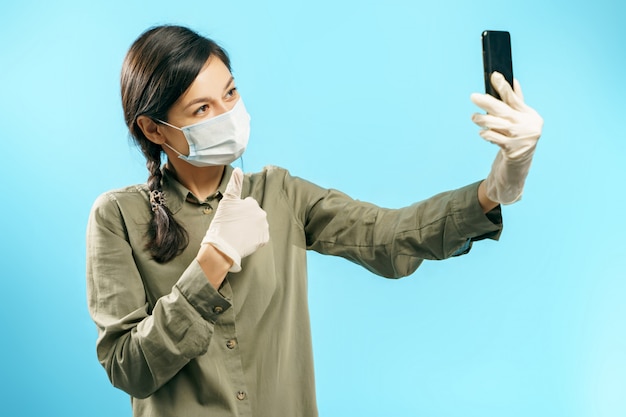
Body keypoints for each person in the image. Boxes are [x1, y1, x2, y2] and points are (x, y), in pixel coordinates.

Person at [86, 24, 543, 417]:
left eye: (230, 93)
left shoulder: (280, 194)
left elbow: (390, 235)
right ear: (153, 129)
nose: (227, 116)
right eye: (202, 109)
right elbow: (129, 367)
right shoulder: (118, 217)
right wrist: (213, 262)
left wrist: (497, 187)